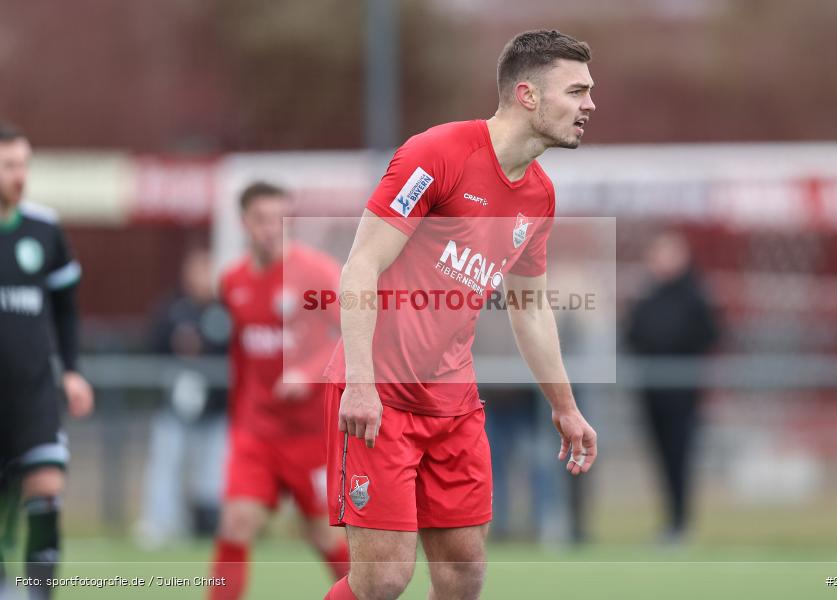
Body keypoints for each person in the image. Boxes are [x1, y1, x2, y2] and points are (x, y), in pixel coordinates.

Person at [322, 30, 598, 600]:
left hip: (453, 405)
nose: (589, 105)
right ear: (527, 95)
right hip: (381, 398)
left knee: (463, 573)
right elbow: (360, 268)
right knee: (383, 580)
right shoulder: (439, 154)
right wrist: (361, 383)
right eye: (576, 91)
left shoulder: (539, 196)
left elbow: (530, 308)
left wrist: (565, 408)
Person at [210, 182, 349, 600]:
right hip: (257, 431)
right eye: (261, 220)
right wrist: (239, 420)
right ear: (244, 223)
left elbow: (356, 332)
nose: (270, 229)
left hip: (311, 434)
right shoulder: (232, 281)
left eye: (278, 220)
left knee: (324, 537)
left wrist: (308, 370)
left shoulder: (317, 272)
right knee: (236, 523)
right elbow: (240, 356)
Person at [0, 122, 93, 599]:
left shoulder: (45, 229)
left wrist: (72, 370)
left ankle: (38, 595)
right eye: (10, 165)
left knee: (46, 486)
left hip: (34, 392)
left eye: (24, 164)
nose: (20, 175)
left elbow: (66, 309)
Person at [625, 230, 720, 544]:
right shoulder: (647, 296)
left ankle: (681, 523)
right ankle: (669, 523)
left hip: (683, 395)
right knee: (660, 459)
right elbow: (632, 335)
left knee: (681, 457)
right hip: (652, 393)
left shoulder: (695, 295)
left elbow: (709, 334)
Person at [134, 246, 229, 549]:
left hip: (215, 409)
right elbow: (152, 344)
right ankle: (160, 523)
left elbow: (231, 350)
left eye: (206, 271)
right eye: (196, 271)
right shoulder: (172, 309)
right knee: (166, 464)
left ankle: (207, 522)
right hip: (175, 408)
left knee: (212, 472)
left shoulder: (224, 310)